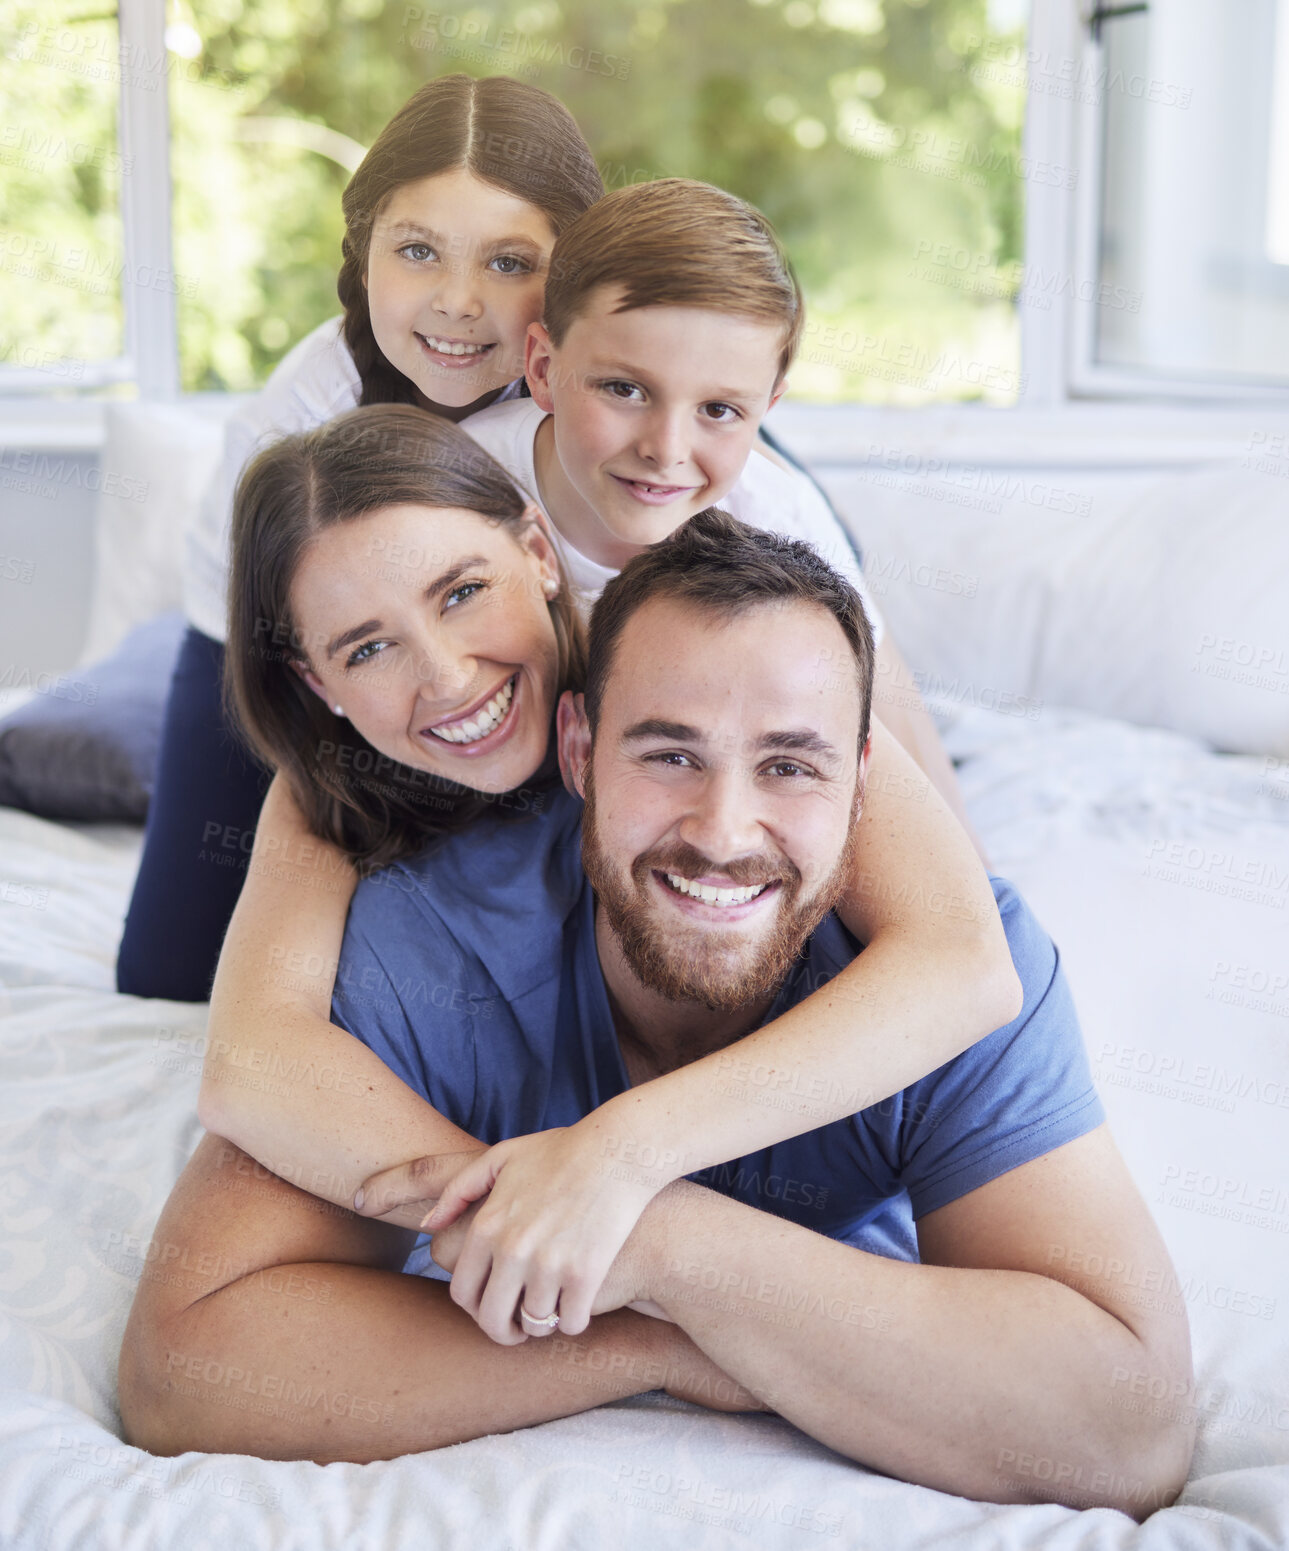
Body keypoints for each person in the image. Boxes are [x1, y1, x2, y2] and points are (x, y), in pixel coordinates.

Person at [119, 512, 1194, 1518]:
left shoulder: (945, 967)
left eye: (788, 765)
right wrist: (664, 1339)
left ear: (861, 781)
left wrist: (657, 1237)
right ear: (579, 748)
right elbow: (187, 1367)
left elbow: (1127, 1433)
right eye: (668, 754)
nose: (723, 831)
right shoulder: (426, 950)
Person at [196, 403, 1020, 1348]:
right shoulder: (327, 792)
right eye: (368, 648)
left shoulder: (699, 680)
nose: (450, 675)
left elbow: (966, 959)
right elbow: (248, 1059)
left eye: (462, 591)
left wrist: (618, 1160)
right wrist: (525, 1211)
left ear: (539, 553)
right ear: (318, 685)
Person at [115, 73, 604, 1001]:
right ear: (363, 252)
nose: (457, 302)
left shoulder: (622, 403)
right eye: (417, 251)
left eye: (507, 263)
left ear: (570, 271)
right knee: (170, 974)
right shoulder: (311, 405)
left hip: (524, 661)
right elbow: (294, 671)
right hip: (274, 648)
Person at [460, 175, 982, 845]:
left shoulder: (775, 513)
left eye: (718, 410)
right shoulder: (460, 487)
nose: (665, 449)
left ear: (767, 409)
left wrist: (972, 886)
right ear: (540, 366)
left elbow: (884, 711)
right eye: (623, 389)